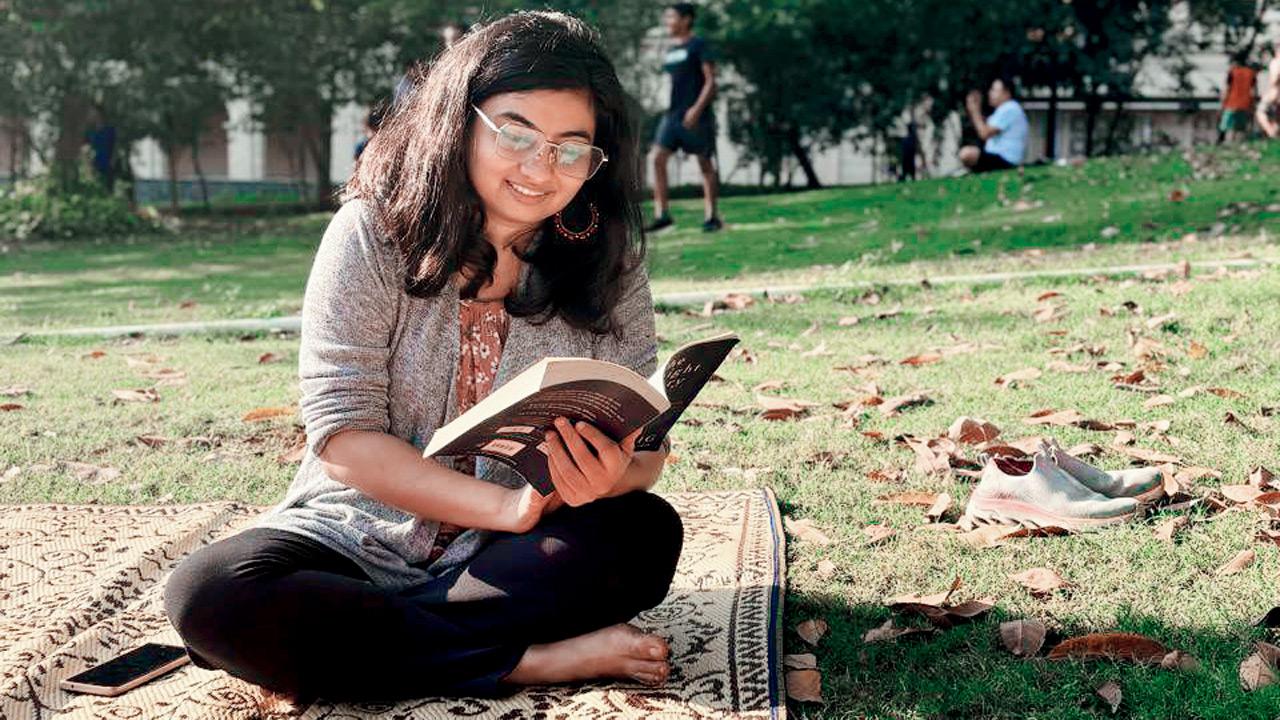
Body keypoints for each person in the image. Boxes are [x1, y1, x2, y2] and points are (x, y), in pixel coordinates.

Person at [164, 11, 683, 705]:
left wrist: (615, 473)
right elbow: (344, 442)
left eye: (571, 148)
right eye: (516, 133)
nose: (540, 168)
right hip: (354, 538)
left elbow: (647, 452)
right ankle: (524, 661)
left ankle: (373, 645)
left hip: (506, 563)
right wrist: (506, 506)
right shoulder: (370, 236)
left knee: (645, 534)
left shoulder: (608, 264)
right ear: (459, 121)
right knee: (209, 594)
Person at [647, 3, 721, 233]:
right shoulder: (671, 50)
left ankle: (712, 217)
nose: (668, 22)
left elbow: (711, 83)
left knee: (705, 164)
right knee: (657, 158)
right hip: (673, 115)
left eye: (672, 17)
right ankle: (663, 215)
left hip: (696, 114)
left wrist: (696, 109)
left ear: (686, 19)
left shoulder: (698, 45)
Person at [958, 78, 1027, 173]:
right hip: (997, 157)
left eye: (994, 90)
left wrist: (975, 110)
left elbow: (984, 133)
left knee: (966, 154)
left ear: (1006, 93)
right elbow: (983, 128)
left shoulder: (1010, 108)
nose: (990, 94)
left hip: (1005, 159)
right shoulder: (1002, 110)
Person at [1220, 51, 1258, 143]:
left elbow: (1226, 88)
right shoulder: (1251, 73)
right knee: (1241, 128)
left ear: (1235, 61)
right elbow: (1253, 91)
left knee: (1227, 127)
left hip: (1231, 103)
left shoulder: (1232, 72)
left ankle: (1226, 144)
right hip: (1245, 104)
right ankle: (1239, 144)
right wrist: (1253, 104)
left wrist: (1222, 102)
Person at [1256, 42, 1279, 139]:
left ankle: (1271, 133)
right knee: (1277, 119)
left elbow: (1274, 80)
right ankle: (1275, 136)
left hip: (1274, 93)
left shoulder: (1275, 62)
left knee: (1260, 112)